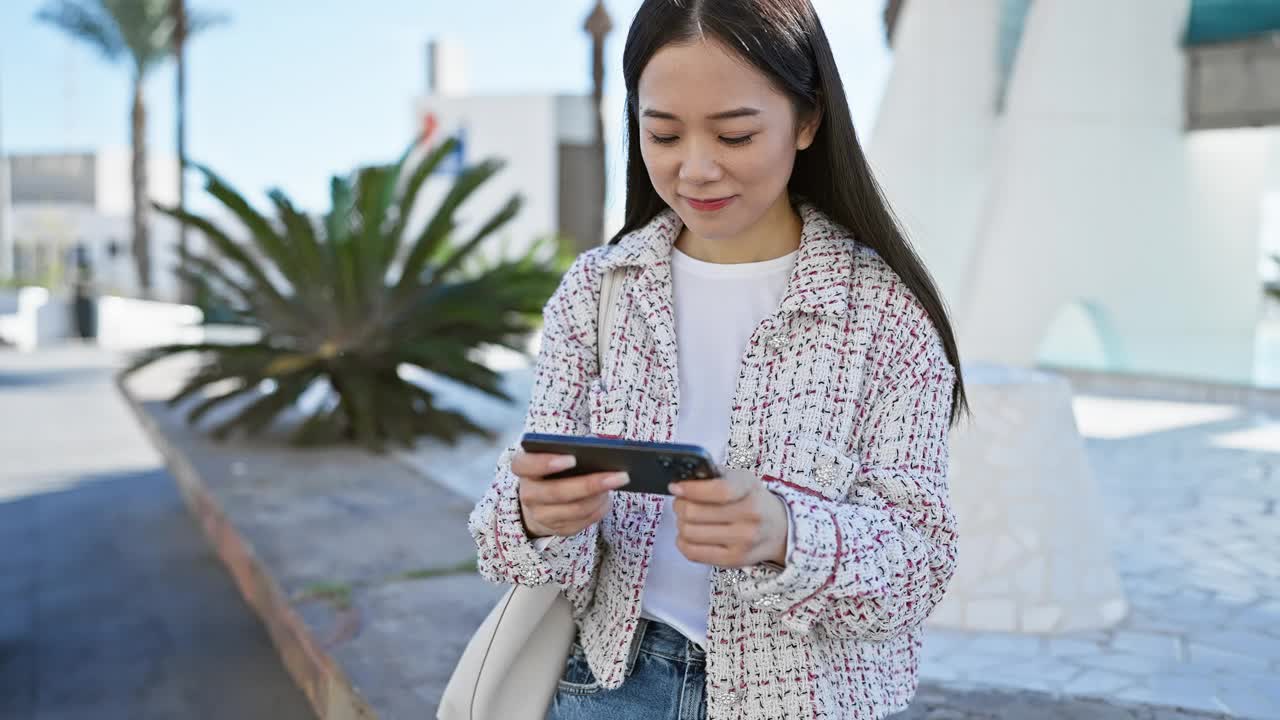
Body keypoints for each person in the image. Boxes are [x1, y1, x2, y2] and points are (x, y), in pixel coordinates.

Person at [468, 1, 968, 718]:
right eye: (662, 134)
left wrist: (784, 534)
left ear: (807, 119)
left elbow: (919, 564)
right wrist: (535, 514)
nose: (695, 169)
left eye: (734, 134)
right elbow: (507, 536)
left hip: (805, 699)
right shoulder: (599, 290)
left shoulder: (886, 315)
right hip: (607, 686)